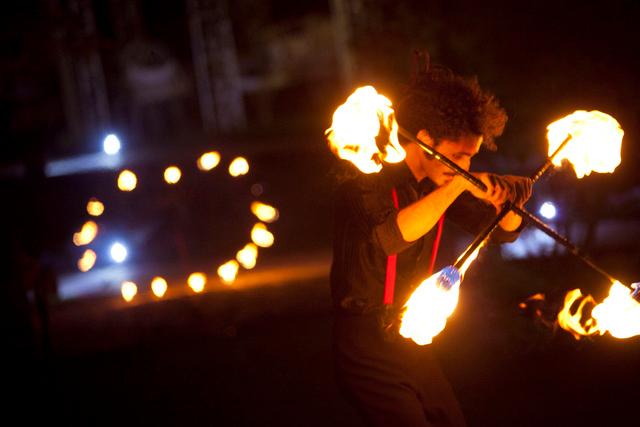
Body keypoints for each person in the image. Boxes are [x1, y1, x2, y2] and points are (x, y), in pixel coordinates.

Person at [330, 60, 533, 427]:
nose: (465, 167)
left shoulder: (437, 185)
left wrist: (510, 203)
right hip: (365, 342)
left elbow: (502, 231)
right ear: (425, 141)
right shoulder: (366, 178)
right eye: (458, 157)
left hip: (411, 336)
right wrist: (460, 184)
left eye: (470, 158)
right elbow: (393, 236)